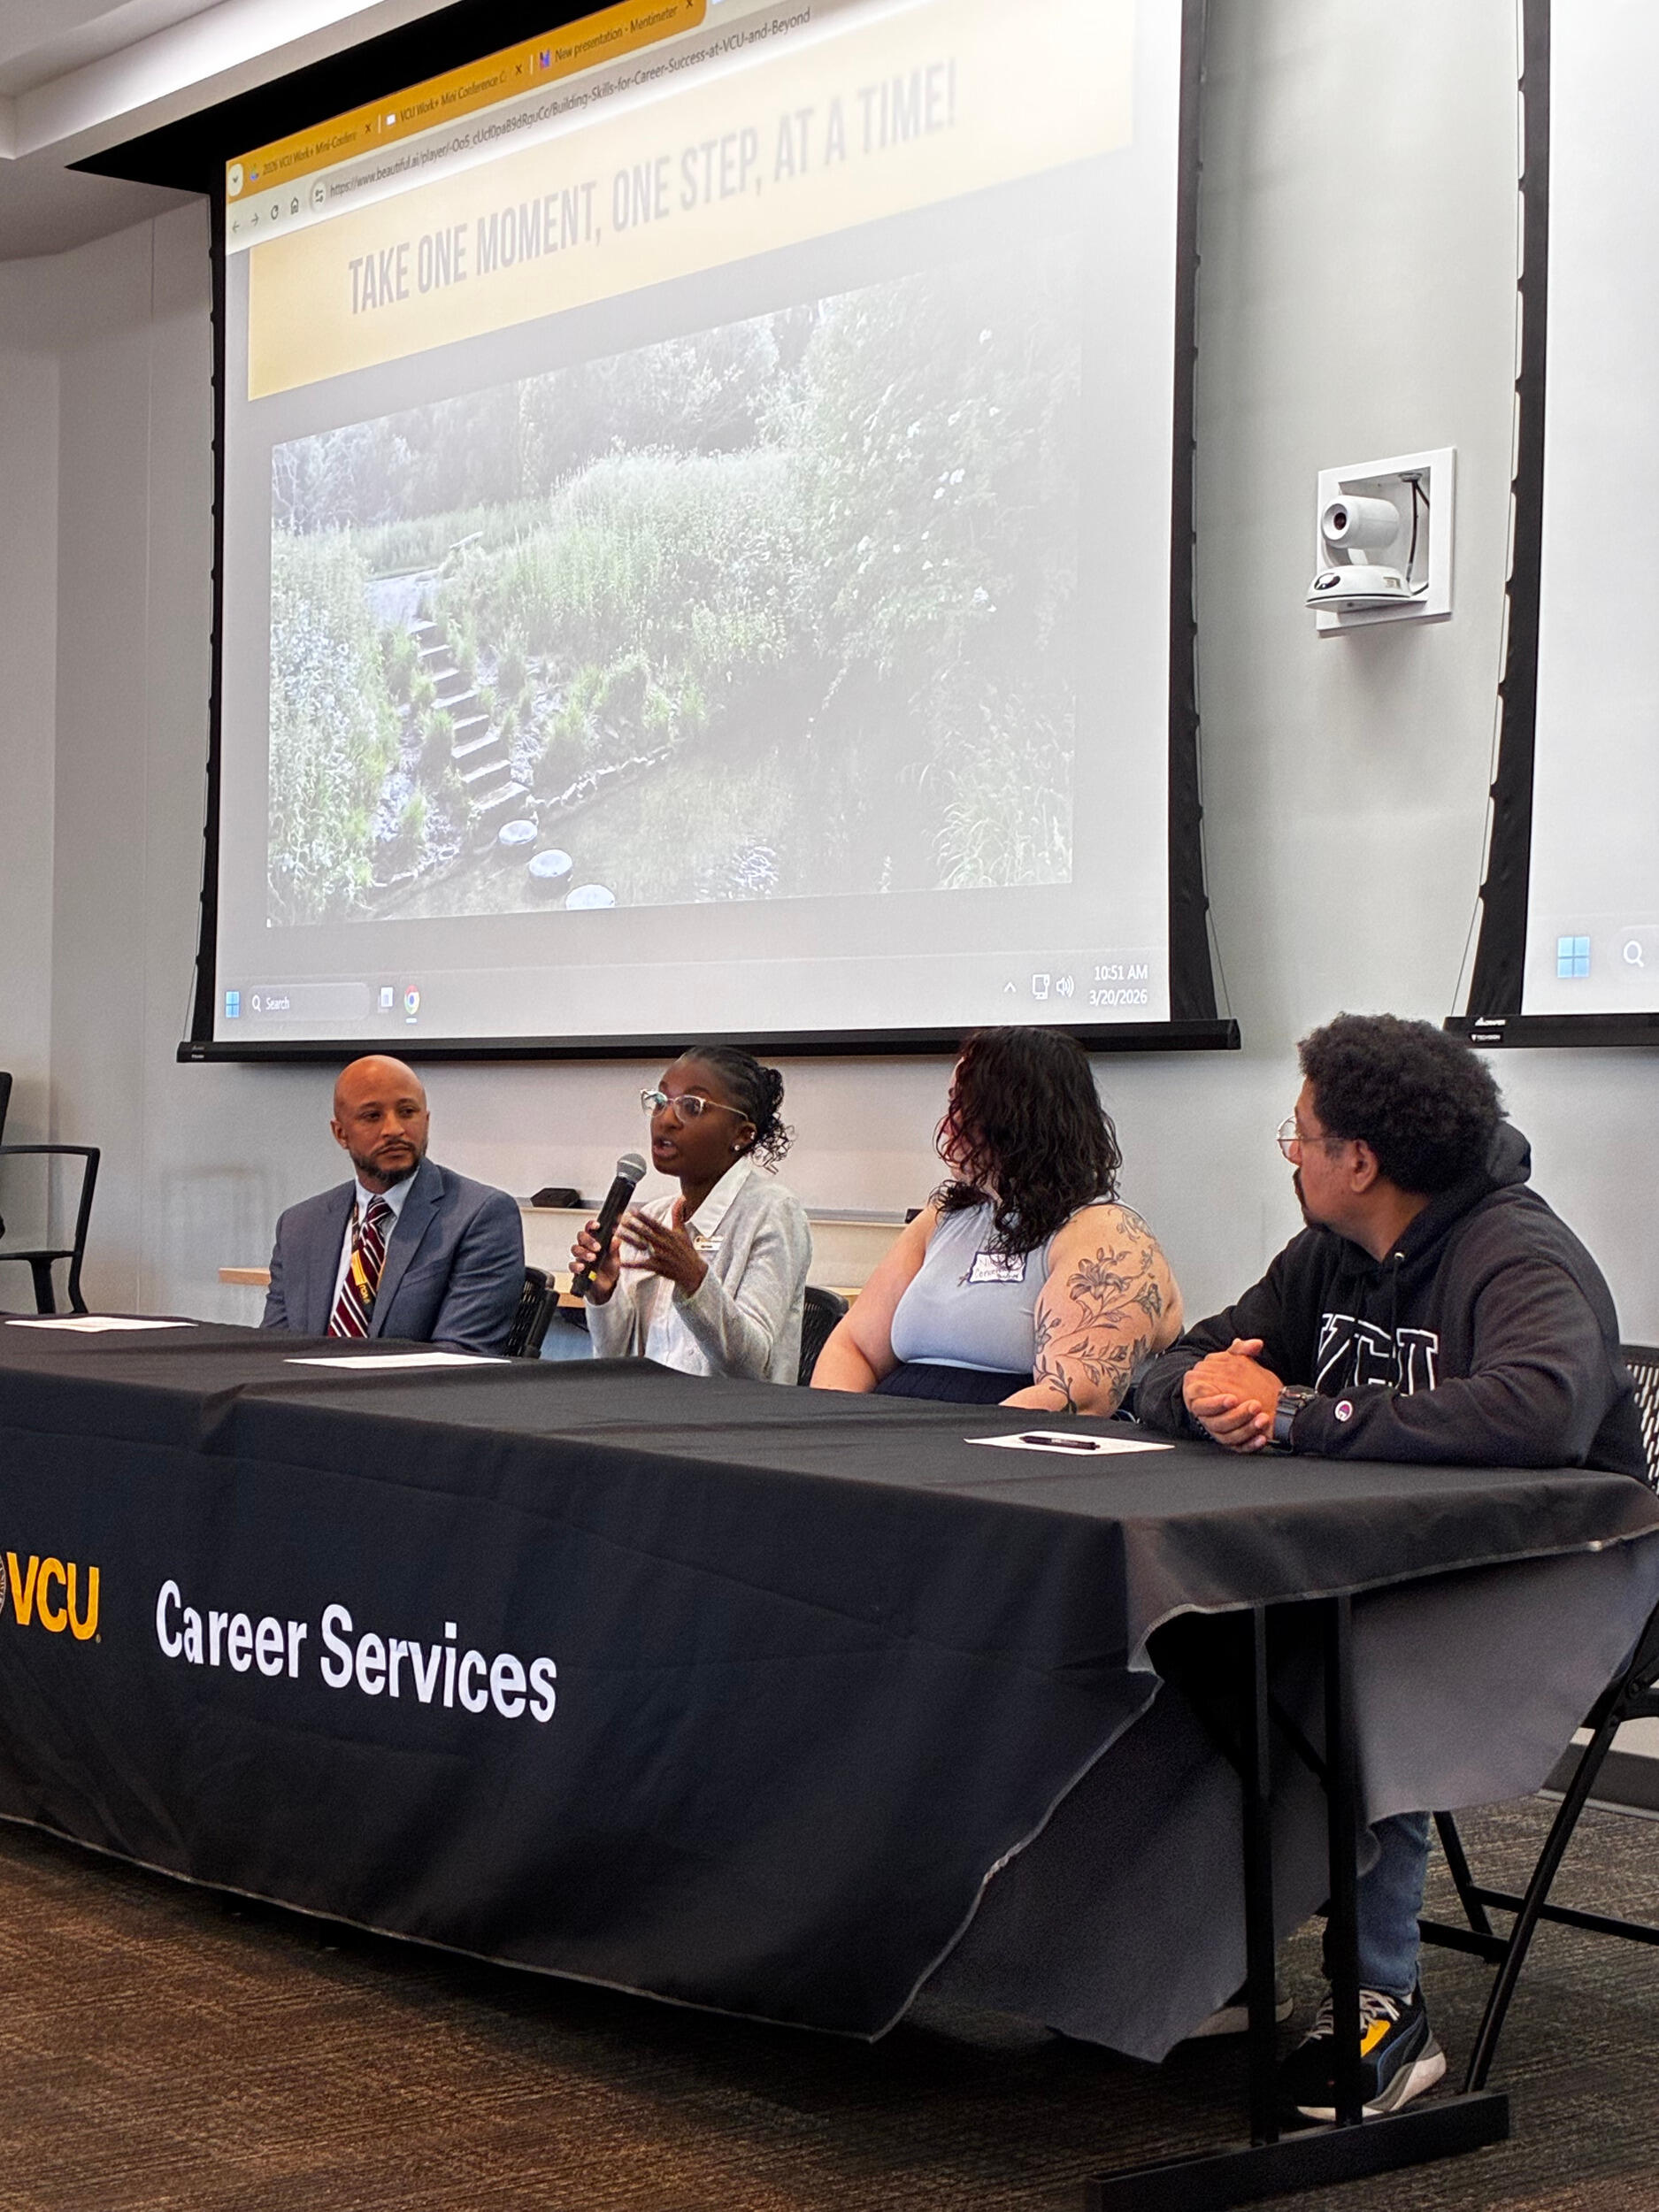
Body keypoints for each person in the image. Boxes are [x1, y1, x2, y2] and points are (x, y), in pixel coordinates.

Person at [1132, 1012, 1645, 2121]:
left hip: (1563, 1583)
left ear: (1357, 1160)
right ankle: (1225, 1955)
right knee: (1197, 1625)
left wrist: (1308, 1417)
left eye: (1301, 1133)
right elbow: (1181, 1359)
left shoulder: (1517, 1249)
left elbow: (1544, 1404)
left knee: (1351, 1654)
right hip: (1397, 1563)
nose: (1291, 1151)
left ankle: (1385, 2002)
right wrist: (1203, 1395)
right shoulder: (1327, 1257)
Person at [810, 1026, 1182, 1409]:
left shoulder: (1107, 1234)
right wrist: (833, 1426)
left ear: (1016, 1118)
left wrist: (945, 1450)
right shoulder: (941, 1218)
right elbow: (854, 1348)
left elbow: (1076, 1396)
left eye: (965, 1105)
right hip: (887, 1430)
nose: (948, 1123)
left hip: (999, 1442)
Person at [572, 1045, 810, 1383]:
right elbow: (614, 1360)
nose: (666, 1120)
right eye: (660, 1101)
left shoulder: (774, 1214)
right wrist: (604, 1294)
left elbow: (752, 1365)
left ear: (742, 1135)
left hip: (729, 1426)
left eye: (692, 1106)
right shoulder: (654, 1217)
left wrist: (695, 1281)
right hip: (645, 1416)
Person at [262, 1055, 524, 1356]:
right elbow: (272, 1350)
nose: (394, 1129)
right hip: (298, 1397)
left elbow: (458, 1356)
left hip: (406, 1400)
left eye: (407, 1112)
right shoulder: (300, 1225)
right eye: (372, 1116)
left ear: (426, 1121)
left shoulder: (480, 1215)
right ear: (340, 1134)